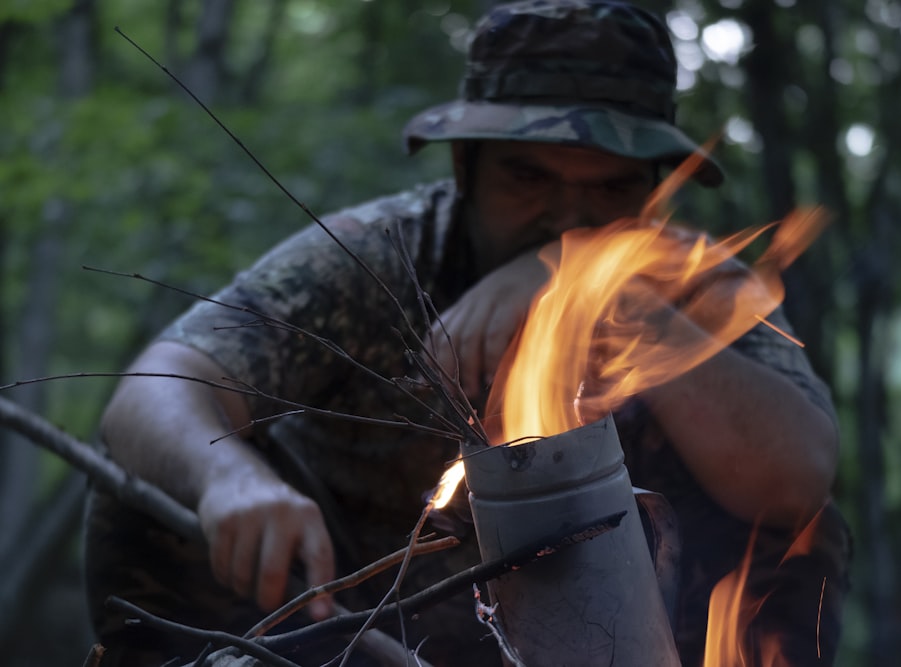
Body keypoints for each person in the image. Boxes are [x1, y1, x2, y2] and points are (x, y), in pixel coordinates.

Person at [84, 1, 851, 665]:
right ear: (465, 167)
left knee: (800, 538)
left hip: (613, 636)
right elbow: (157, 389)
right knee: (156, 478)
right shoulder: (386, 252)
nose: (567, 216)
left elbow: (796, 478)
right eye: (529, 178)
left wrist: (598, 287)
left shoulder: (688, 279)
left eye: (611, 187)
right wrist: (233, 481)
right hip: (356, 631)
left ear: (655, 193)